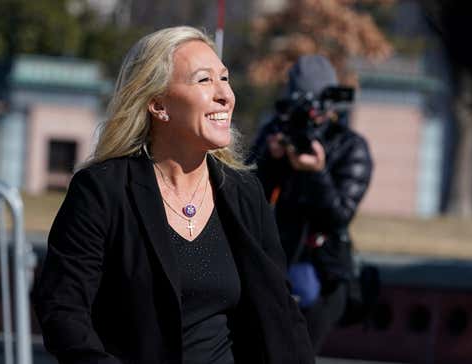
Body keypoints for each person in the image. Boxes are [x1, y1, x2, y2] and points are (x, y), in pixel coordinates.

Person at [33, 26, 314, 364]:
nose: (225, 94)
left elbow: (281, 312)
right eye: (204, 80)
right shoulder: (102, 190)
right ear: (157, 104)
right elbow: (63, 310)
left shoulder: (243, 192)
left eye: (224, 78)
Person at [249, 54, 375, 351]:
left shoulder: (351, 147)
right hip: (276, 261)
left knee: (298, 352)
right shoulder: (276, 134)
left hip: (324, 271)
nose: (311, 117)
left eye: (318, 106)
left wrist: (317, 173)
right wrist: (269, 160)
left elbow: (339, 215)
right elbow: (246, 198)